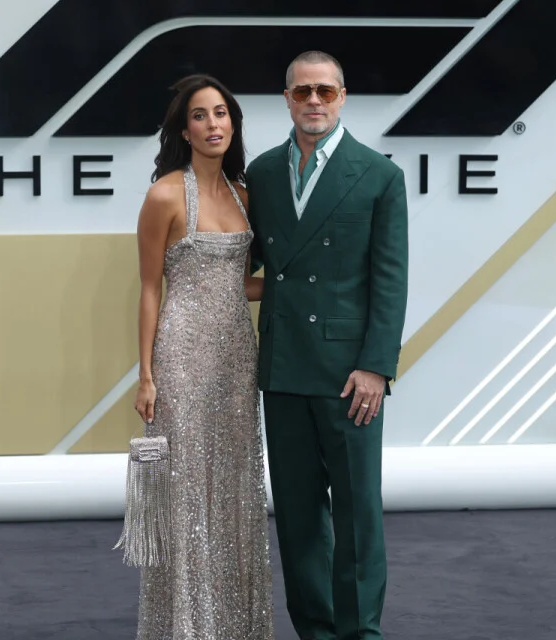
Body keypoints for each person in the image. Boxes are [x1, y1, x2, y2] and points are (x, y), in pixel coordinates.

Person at [245, 51, 409, 640]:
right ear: (286, 99)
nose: (314, 101)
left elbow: (390, 280)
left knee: (358, 513)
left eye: (325, 91)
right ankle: (315, 631)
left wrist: (376, 367)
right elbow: (250, 263)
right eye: (302, 91)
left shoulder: (379, 175)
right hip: (284, 366)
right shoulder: (262, 173)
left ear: (343, 97)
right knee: (297, 515)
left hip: (349, 375)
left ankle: (360, 633)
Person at [131, 73, 274, 640]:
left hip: (236, 358)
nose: (212, 124)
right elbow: (150, 289)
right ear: (184, 130)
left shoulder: (245, 195)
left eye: (220, 113)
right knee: (186, 493)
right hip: (181, 360)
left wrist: (298, 288)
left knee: (236, 488)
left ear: (232, 123)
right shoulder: (165, 195)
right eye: (199, 115)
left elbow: (240, 285)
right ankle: (187, 629)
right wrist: (146, 375)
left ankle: (234, 627)